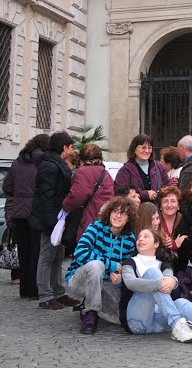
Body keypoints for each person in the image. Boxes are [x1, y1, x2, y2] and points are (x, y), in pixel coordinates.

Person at [121, 226, 192, 345]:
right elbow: (131, 283)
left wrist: (173, 281)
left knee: (180, 302)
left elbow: (171, 281)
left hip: (161, 322)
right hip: (137, 321)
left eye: (145, 236)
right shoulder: (130, 262)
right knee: (153, 272)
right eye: (139, 237)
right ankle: (177, 323)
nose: (140, 239)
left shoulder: (164, 265)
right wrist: (160, 283)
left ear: (156, 243)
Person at [65, 196, 138, 334]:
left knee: (121, 318)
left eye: (123, 213)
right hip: (80, 279)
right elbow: (80, 252)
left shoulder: (130, 239)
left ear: (129, 218)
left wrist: (120, 278)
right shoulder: (96, 227)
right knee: (96, 265)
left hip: (107, 283)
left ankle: (90, 304)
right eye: (115, 211)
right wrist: (111, 265)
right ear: (109, 212)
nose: (118, 216)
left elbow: (125, 267)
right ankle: (90, 312)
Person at [30, 130, 77, 310]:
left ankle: (58, 292)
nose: (72, 150)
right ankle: (45, 296)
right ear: (64, 147)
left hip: (58, 218)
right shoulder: (49, 166)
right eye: (70, 146)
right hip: (51, 219)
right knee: (47, 256)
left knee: (57, 256)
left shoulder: (53, 163)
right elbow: (46, 197)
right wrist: (53, 221)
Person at [4, 133, 48, 300]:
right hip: (36, 212)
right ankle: (34, 289)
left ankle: (24, 290)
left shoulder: (17, 164)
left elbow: (7, 186)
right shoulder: (42, 164)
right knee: (36, 252)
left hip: (19, 214)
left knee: (23, 252)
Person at [62, 143, 115, 249]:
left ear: (81, 159)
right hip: (105, 221)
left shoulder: (83, 172)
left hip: (88, 221)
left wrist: (65, 205)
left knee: (84, 256)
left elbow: (77, 197)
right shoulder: (106, 173)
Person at [116, 133, 167, 205]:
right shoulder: (125, 171)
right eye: (143, 147)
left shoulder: (159, 167)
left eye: (149, 148)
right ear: (134, 149)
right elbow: (121, 193)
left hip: (156, 211)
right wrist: (145, 194)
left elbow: (168, 186)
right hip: (135, 211)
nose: (147, 151)